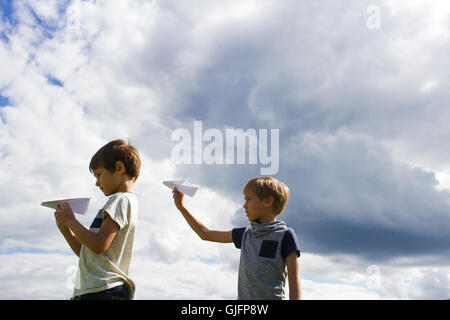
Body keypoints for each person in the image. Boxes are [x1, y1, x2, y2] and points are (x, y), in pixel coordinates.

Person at [172, 176, 301, 300]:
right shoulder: (245, 234)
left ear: (268, 201)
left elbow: (294, 281)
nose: (244, 205)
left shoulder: (285, 236)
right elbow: (205, 234)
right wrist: (181, 208)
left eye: (248, 200)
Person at [54, 139, 141, 300]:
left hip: (105, 291)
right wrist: (66, 229)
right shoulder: (126, 201)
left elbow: (98, 244)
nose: (96, 183)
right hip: (98, 290)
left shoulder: (120, 200)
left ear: (119, 168)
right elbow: (88, 253)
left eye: (99, 174)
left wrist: (72, 221)